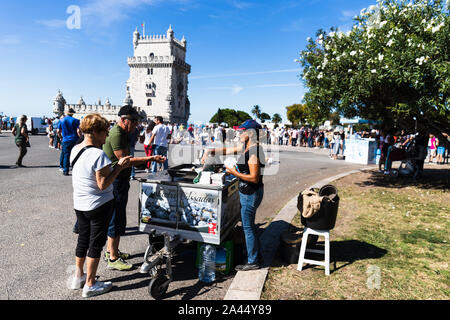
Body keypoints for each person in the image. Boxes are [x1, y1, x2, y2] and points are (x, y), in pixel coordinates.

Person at [68, 113, 132, 298]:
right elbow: (103, 184)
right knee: (96, 244)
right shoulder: (98, 154)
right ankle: (91, 284)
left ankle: (78, 276)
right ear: (95, 132)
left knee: (82, 240)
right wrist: (119, 166)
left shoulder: (76, 149)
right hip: (98, 204)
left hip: (80, 203)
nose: (106, 135)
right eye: (104, 131)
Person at [102, 105, 166, 270]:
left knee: (117, 218)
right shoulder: (117, 134)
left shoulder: (123, 133)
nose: (137, 125)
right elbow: (125, 161)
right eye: (135, 121)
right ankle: (113, 257)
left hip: (120, 180)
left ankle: (111, 251)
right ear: (124, 120)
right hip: (116, 181)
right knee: (115, 219)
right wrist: (151, 157)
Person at [202, 119, 265, 271]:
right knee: (248, 226)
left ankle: (253, 261)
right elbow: (228, 150)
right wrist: (210, 151)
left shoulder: (254, 151)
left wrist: (233, 172)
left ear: (250, 133)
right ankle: (255, 255)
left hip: (251, 193)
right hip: (248, 192)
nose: (239, 133)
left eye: (242, 131)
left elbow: (254, 177)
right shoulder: (247, 146)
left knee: (248, 228)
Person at [57, 108, 81, 176]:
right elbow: (78, 131)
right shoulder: (76, 120)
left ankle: (65, 170)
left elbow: (58, 131)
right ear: (73, 113)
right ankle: (75, 168)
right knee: (75, 155)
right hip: (74, 139)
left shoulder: (61, 120)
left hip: (66, 140)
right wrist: (80, 138)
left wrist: (61, 137)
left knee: (66, 155)